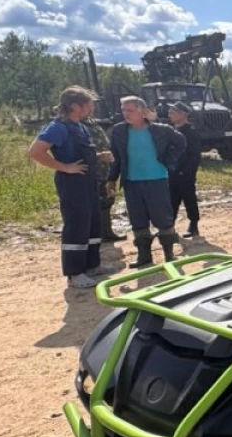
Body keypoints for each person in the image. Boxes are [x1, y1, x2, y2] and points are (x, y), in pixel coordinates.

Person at [27, 86, 113, 289]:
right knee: (76, 225)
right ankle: (75, 273)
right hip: (72, 183)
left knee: (92, 222)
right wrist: (64, 167)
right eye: (88, 104)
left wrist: (99, 157)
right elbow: (35, 151)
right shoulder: (58, 127)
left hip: (88, 181)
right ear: (75, 106)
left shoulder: (79, 126)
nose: (92, 107)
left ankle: (92, 265)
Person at [106, 96, 187, 268]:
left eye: (130, 110)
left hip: (156, 180)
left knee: (163, 218)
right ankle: (144, 256)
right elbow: (117, 157)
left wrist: (169, 161)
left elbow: (181, 142)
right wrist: (112, 179)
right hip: (131, 182)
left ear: (142, 111)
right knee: (138, 220)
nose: (126, 114)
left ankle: (169, 254)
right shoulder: (119, 131)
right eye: (124, 110)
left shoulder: (161, 130)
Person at [82, 114, 126, 242]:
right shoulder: (76, 124)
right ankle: (97, 233)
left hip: (104, 169)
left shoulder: (91, 121)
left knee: (106, 200)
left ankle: (106, 232)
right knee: (94, 202)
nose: (93, 107)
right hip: (91, 170)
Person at [166, 101, 203, 237]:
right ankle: (169, 227)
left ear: (183, 114)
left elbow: (194, 155)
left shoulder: (191, 132)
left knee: (189, 198)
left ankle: (193, 225)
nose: (169, 115)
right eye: (169, 112)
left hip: (185, 172)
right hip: (171, 171)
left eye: (173, 112)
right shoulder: (171, 131)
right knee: (171, 200)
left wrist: (187, 172)